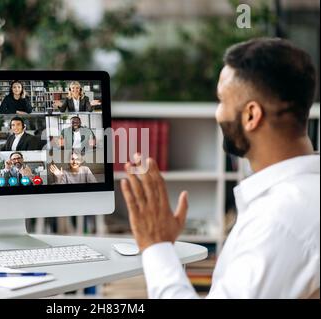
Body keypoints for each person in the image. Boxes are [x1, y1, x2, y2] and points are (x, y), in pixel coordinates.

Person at [120, 38, 319, 299]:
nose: (218, 113)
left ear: (251, 115)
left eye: (222, 100)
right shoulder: (304, 194)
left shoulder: (278, 222)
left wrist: (156, 246)